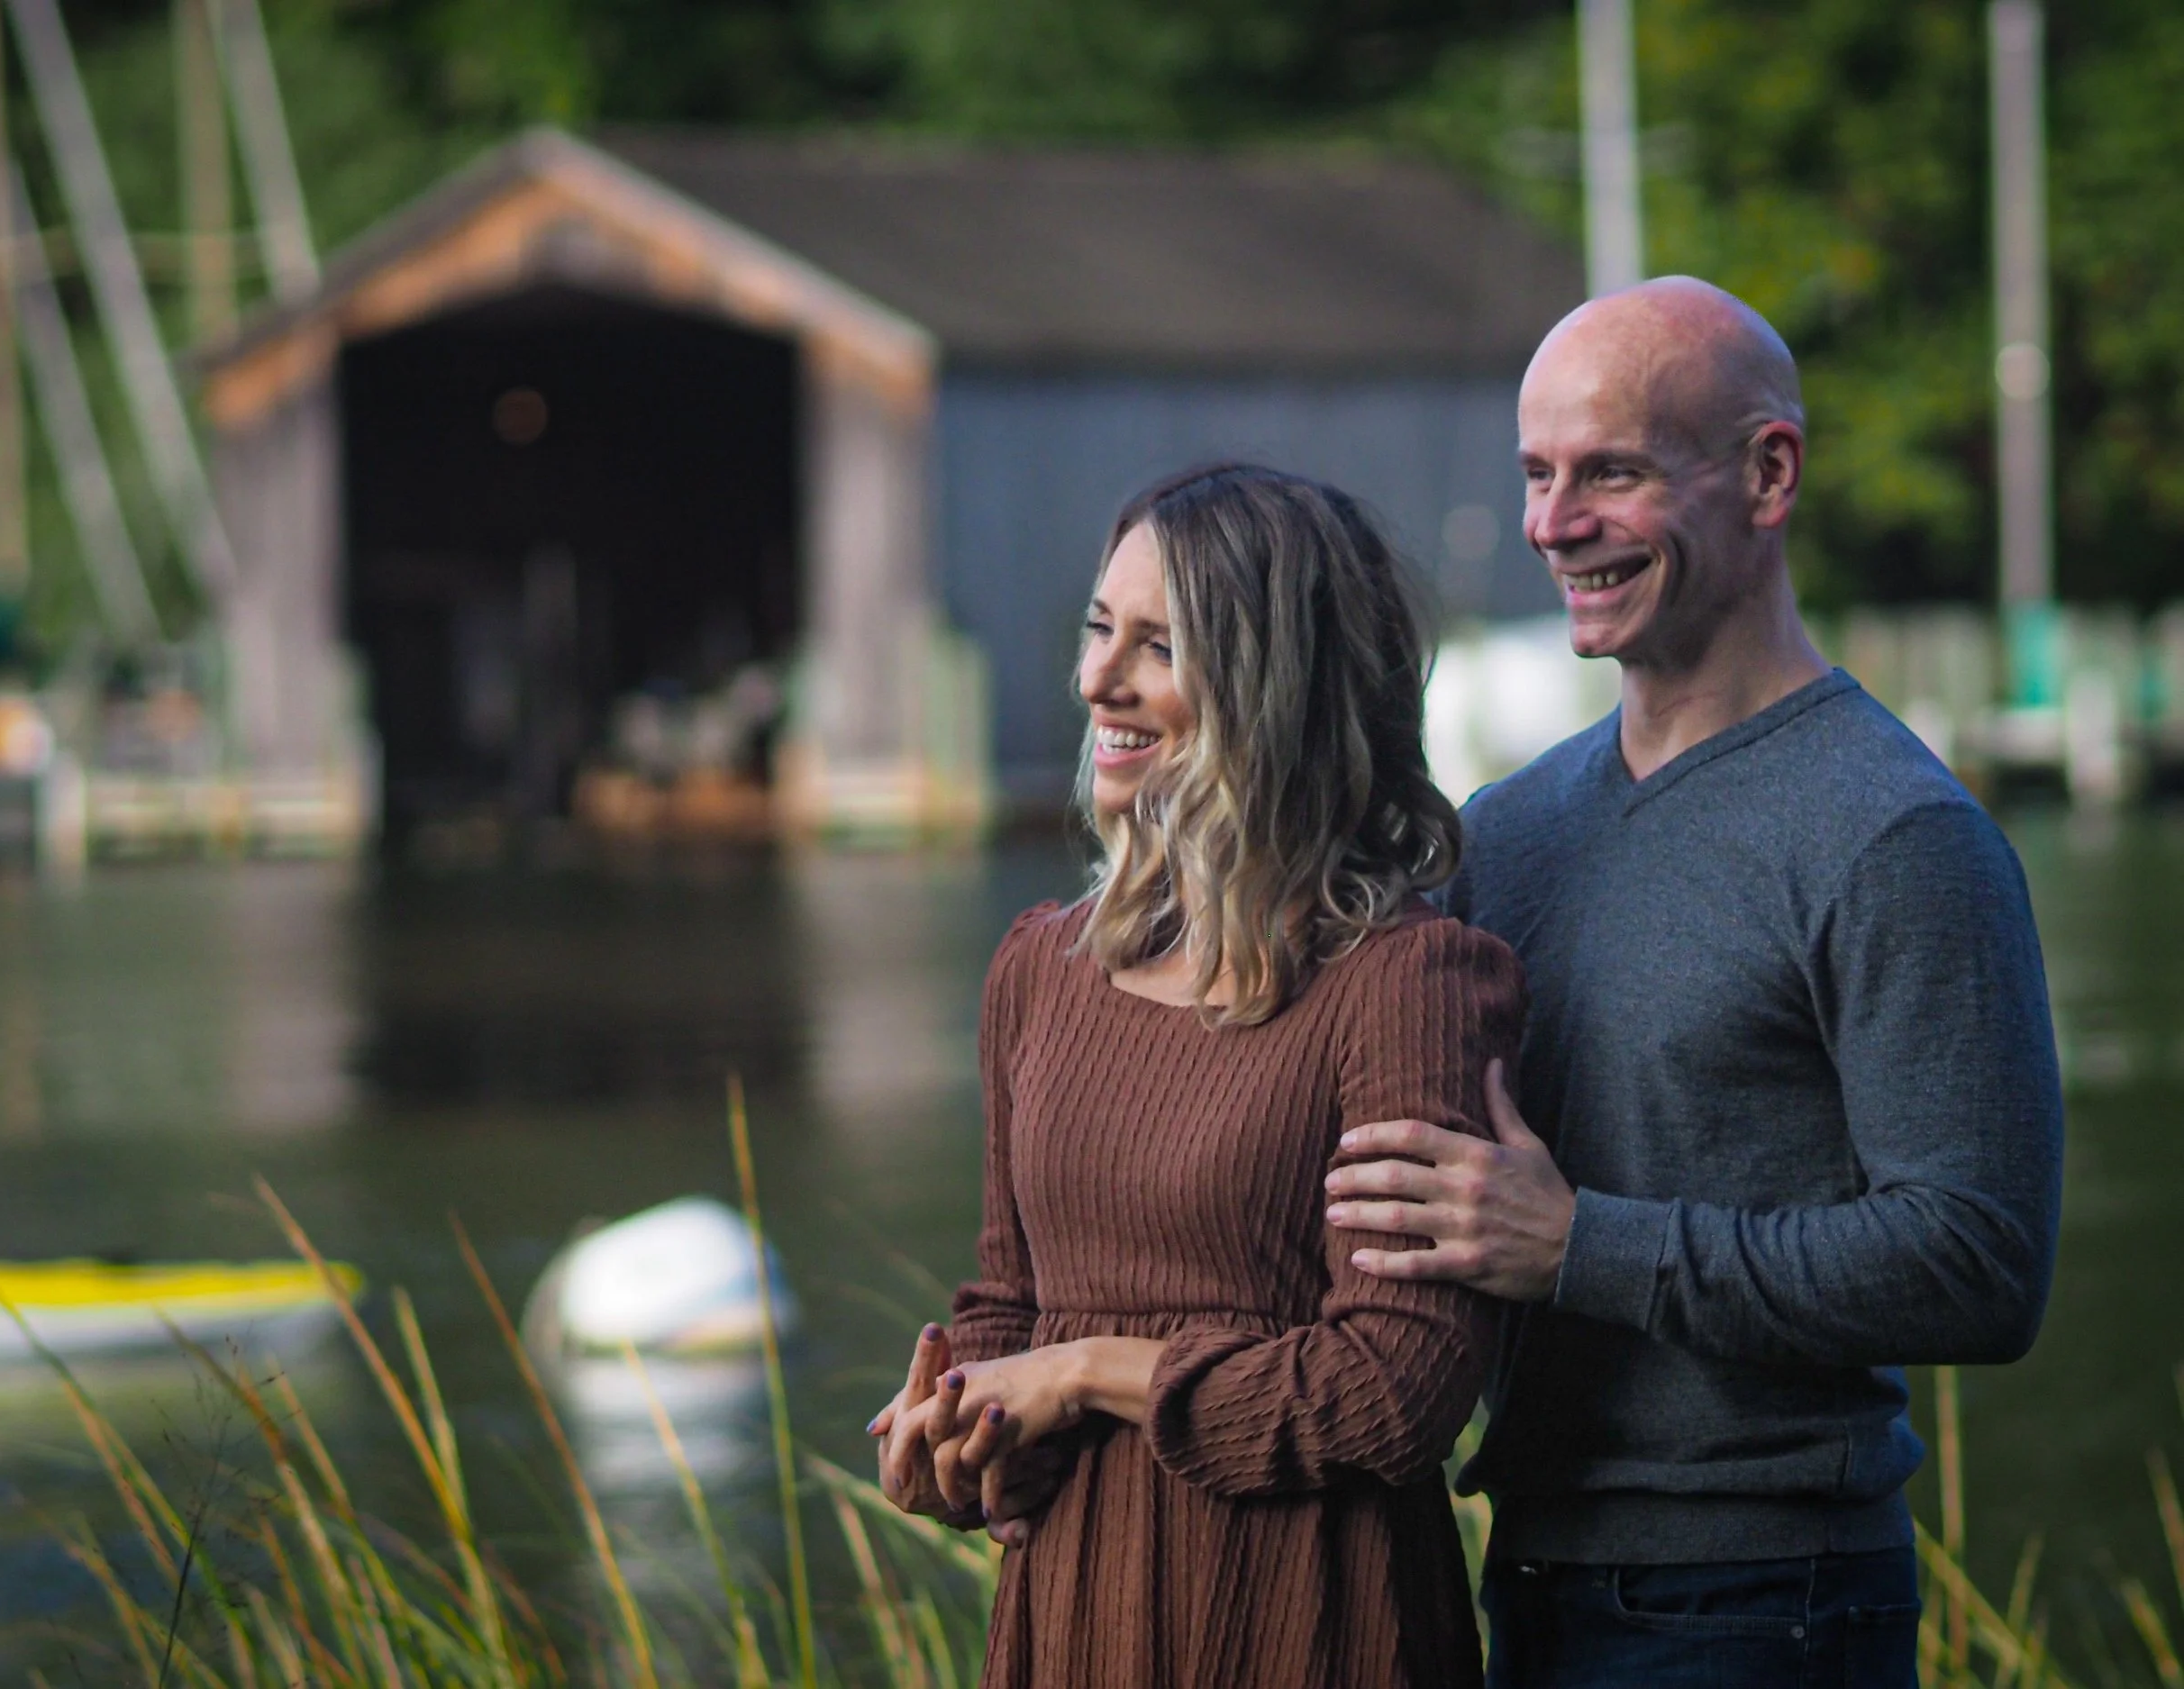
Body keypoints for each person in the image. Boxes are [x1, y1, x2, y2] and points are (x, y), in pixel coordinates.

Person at [1321, 277, 2066, 1688]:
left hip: (1766, 1602)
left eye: (1611, 472)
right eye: (1537, 475)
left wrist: (1578, 1244)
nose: (1553, 523)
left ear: (1769, 474)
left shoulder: (1898, 833)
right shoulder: (1508, 829)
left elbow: (1980, 1263)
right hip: (1524, 1572)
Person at [868, 464, 1524, 1688]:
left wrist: (1082, 1372)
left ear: (1278, 691)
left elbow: (1395, 1391)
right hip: (1073, 1624)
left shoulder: (1409, 984)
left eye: (1159, 646)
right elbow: (1009, 1302)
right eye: (1098, 629)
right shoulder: (1040, 969)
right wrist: (961, 1438)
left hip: (1311, 1627)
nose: (1096, 680)